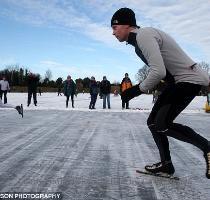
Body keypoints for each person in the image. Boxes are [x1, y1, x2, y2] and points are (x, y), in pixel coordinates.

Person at [111, 7, 210, 178]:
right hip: (178, 81)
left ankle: (207, 148)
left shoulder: (144, 35)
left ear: (127, 25)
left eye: (114, 27)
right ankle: (166, 165)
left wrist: (135, 90)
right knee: (153, 123)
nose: (113, 32)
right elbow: (164, 71)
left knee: (162, 123)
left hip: (188, 80)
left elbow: (158, 72)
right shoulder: (138, 42)